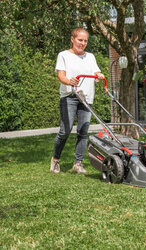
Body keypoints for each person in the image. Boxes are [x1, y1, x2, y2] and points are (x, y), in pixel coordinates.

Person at [50, 27, 104, 174]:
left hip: (86, 97)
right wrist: (69, 81)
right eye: (80, 40)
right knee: (65, 131)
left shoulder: (90, 56)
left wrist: (99, 75)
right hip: (69, 96)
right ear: (72, 39)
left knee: (83, 131)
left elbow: (95, 71)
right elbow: (61, 75)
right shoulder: (63, 55)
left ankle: (78, 164)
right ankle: (55, 160)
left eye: (85, 40)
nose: (83, 43)